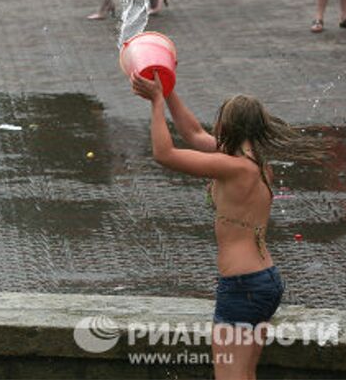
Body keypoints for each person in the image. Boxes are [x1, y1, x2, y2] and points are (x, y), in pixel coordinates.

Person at [130, 71, 326, 379]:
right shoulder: (254, 163)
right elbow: (193, 133)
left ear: (228, 125)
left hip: (242, 287)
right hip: (263, 281)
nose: (215, 125)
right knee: (244, 375)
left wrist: (155, 102)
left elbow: (164, 153)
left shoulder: (233, 167)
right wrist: (167, 89)